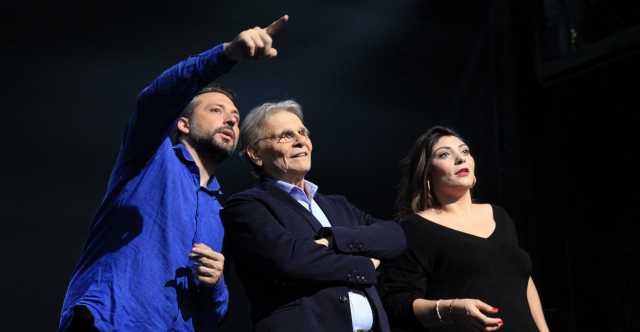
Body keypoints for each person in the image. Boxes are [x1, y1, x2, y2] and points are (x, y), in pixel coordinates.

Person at [58, 15, 290, 331]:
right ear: (183, 124)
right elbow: (156, 100)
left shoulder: (222, 211)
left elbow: (213, 315)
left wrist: (216, 284)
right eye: (215, 110)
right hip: (110, 322)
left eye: (235, 117)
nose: (231, 121)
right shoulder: (148, 156)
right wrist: (226, 54)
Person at [221, 100, 407, 332]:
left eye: (303, 132)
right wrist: (367, 263)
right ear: (256, 154)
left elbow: (395, 235)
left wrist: (333, 240)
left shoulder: (337, 205)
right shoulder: (247, 205)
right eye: (286, 136)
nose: (301, 141)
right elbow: (291, 261)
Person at [379, 126, 550, 332]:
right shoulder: (413, 229)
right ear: (426, 173)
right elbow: (396, 302)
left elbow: (523, 281)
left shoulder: (499, 215)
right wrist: (451, 308)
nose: (460, 159)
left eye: (465, 151)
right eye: (444, 154)